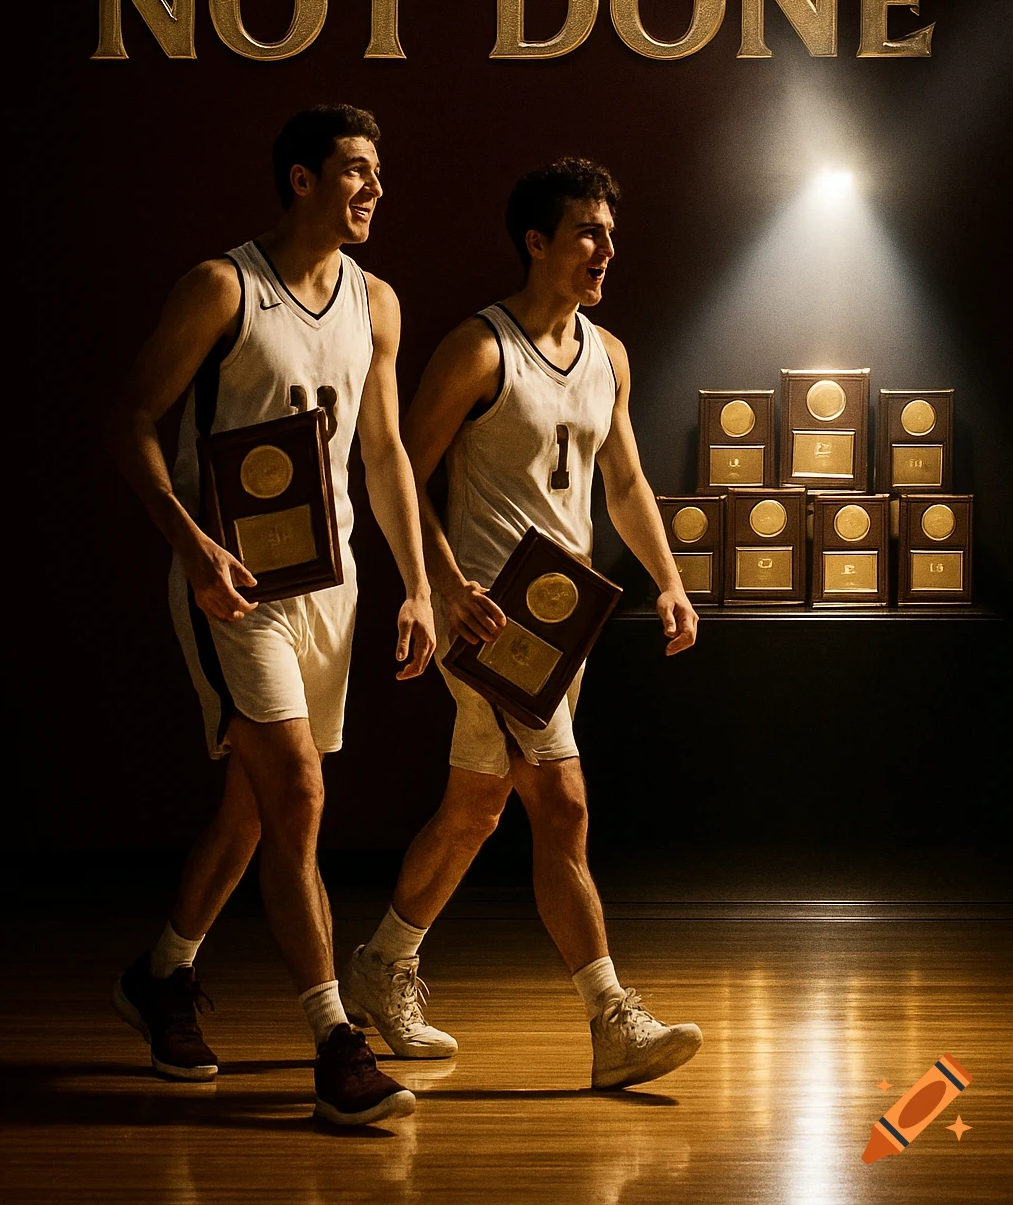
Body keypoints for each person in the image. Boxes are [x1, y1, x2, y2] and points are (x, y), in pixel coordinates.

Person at [105, 104, 435, 1126]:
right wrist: (191, 546)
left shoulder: (377, 302)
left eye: (376, 170)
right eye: (354, 169)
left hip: (330, 586)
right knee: (296, 793)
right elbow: (129, 419)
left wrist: (419, 584)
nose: (373, 187)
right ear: (301, 179)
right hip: (233, 586)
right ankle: (335, 1044)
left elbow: (382, 452)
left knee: (255, 809)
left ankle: (162, 971)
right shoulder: (225, 286)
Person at [341, 157, 702, 1090]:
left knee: (475, 806)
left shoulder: (609, 354)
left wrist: (668, 580)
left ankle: (383, 965)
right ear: (537, 242)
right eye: (587, 232)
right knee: (563, 803)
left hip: (562, 627)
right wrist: (445, 584)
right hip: (490, 621)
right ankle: (611, 1019)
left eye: (611, 233)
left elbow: (625, 480)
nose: (605, 248)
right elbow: (401, 472)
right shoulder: (479, 349)